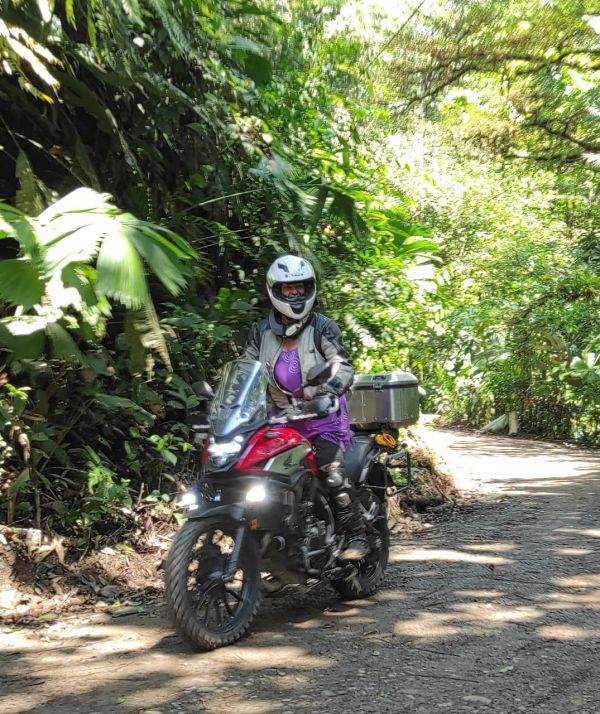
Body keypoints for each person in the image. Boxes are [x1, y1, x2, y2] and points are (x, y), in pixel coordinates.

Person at [244, 255, 369, 564]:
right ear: (276, 291)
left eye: (300, 287)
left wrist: (330, 389)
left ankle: (356, 534)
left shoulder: (322, 327)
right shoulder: (261, 332)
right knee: (261, 474)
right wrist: (230, 402)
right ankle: (278, 542)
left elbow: (342, 364)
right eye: (288, 289)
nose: (295, 294)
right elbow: (245, 370)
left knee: (331, 471)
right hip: (281, 417)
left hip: (321, 414)